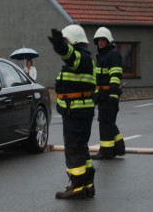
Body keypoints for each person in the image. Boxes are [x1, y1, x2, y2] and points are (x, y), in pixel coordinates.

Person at [48, 25, 96, 199]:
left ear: (74, 41)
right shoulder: (85, 60)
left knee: (73, 149)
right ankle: (88, 185)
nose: (66, 44)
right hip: (78, 112)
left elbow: (70, 55)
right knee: (81, 149)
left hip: (76, 113)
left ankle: (77, 187)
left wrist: (61, 46)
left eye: (67, 41)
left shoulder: (81, 59)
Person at [91, 27, 126, 160]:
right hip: (102, 95)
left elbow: (115, 76)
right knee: (108, 122)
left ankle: (106, 151)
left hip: (109, 95)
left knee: (106, 122)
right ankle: (118, 148)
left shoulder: (112, 55)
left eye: (103, 40)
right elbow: (97, 78)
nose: (100, 42)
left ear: (108, 41)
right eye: (99, 40)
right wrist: (95, 94)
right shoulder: (101, 56)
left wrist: (112, 95)